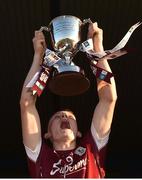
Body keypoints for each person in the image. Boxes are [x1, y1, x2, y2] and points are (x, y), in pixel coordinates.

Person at [20, 22, 117, 178]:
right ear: (47, 135)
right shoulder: (39, 156)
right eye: (57, 117)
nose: (64, 117)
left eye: (70, 117)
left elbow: (108, 99)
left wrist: (97, 48)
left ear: (78, 132)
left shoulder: (91, 148)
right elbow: (26, 104)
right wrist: (38, 56)